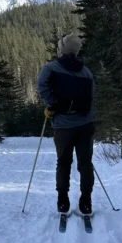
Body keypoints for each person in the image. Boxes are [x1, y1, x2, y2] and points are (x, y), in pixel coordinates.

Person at [36, 33, 96, 216]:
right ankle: (86, 202)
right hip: (85, 123)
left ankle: (63, 201)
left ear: (62, 49)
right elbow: (92, 96)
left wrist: (51, 105)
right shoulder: (86, 72)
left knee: (63, 163)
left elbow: (41, 86)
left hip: (63, 125)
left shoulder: (51, 68)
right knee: (85, 163)